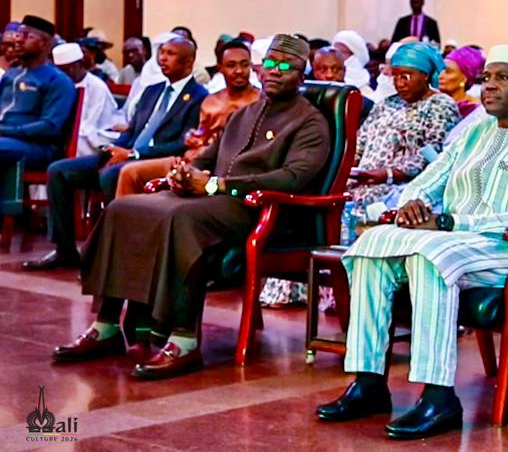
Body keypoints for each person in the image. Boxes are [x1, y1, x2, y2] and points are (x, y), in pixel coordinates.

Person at [315, 44, 508, 440]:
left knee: (431, 256)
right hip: (457, 240)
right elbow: (430, 179)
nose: (490, 86)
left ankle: (439, 396)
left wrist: (450, 222)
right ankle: (368, 382)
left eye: (503, 78)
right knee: (370, 249)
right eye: (487, 78)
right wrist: (412, 203)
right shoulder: (476, 132)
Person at [50, 34, 329, 379]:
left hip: (260, 210)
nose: (274, 71)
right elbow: (208, 158)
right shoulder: (245, 114)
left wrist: (215, 185)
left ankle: (183, 340)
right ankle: (106, 325)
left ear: (302, 73)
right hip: (215, 199)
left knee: (181, 218)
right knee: (124, 210)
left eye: (285, 66)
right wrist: (185, 174)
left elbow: (292, 178)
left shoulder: (309, 122)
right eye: (270, 63)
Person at [260, 41, 459, 308]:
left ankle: (344, 296)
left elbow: (433, 156)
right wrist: (346, 171)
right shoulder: (385, 105)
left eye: (407, 75)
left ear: (426, 75)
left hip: (401, 187)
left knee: (351, 214)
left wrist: (387, 174)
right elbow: (358, 144)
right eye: (395, 75)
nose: (400, 82)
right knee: (323, 204)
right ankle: (301, 291)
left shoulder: (441, 105)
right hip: (362, 180)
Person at [25, 37, 206, 270]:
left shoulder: (199, 96)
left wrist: (134, 154)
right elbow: (131, 130)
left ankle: (113, 254)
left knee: (112, 175)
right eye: (162, 52)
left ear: (189, 61)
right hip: (126, 154)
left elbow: (181, 144)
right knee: (59, 171)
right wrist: (114, 149)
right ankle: (65, 251)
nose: (162, 58)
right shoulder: (152, 91)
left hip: (155, 161)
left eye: (170, 53)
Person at [113, 39, 261, 198]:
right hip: (192, 160)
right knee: (130, 173)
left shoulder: (260, 101)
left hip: (225, 168)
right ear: (220, 68)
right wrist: (193, 138)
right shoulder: (211, 101)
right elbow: (201, 135)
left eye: (244, 65)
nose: (239, 71)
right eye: (231, 65)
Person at [0, 16, 77, 170]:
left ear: (44, 44)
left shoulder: (57, 80)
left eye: (27, 36)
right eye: (18, 35)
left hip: (38, 147)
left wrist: (6, 131)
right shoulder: (11, 74)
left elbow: (49, 127)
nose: (18, 40)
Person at [51, 43, 119, 156]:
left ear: (80, 64)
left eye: (70, 68)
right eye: (63, 71)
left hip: (95, 135)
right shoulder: (58, 85)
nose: (68, 73)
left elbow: (90, 124)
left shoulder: (96, 86)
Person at [438, 46, 483, 117]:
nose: (440, 76)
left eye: (448, 72)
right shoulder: (433, 103)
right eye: (441, 70)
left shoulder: (474, 111)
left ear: (464, 78)